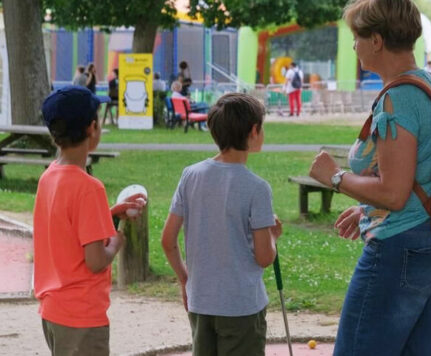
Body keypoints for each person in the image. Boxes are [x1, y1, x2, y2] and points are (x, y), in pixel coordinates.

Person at [308, 0, 431, 355]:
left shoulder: (398, 99)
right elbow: (423, 173)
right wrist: (365, 208)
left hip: (400, 249)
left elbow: (394, 193)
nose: (354, 47)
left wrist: (335, 177)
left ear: (376, 40)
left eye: (357, 38)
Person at [161, 93, 282, 356]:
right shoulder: (258, 188)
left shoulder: (190, 175)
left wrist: (185, 280)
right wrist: (273, 236)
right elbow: (264, 257)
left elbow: (167, 240)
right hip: (241, 307)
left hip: (201, 302)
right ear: (253, 131)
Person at [34, 86, 146, 356]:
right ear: (93, 127)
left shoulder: (48, 176)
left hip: (53, 311)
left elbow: (66, 225)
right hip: (81, 316)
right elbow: (95, 260)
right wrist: (117, 242)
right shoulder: (89, 187)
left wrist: (105, 215)